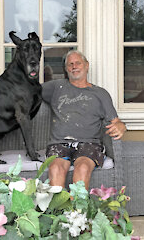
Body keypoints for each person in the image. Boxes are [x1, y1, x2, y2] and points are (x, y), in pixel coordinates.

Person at [41, 50, 126, 190]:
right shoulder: (56, 87)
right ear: (66, 69)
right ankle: (58, 210)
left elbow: (116, 122)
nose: (74, 66)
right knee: (56, 168)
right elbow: (30, 91)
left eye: (78, 63)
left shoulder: (100, 94)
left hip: (89, 143)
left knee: (83, 167)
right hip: (60, 143)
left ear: (86, 66)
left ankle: (77, 211)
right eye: (70, 64)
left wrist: (122, 126)